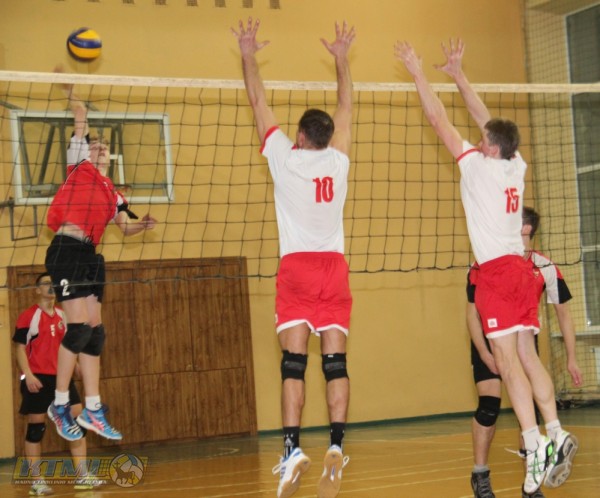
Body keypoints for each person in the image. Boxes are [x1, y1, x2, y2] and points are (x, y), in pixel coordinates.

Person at [394, 38, 576, 495]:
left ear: (491, 150)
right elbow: (486, 120)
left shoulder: (477, 166)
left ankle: (534, 445)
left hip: (495, 274)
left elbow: (438, 119)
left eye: (483, 142)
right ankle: (555, 431)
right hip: (522, 271)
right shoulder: (516, 165)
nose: (478, 141)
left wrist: (418, 73)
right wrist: (458, 75)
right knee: (529, 356)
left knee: (508, 365)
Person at [232, 18, 355, 498]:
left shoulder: (285, 157)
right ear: (328, 136)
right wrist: (341, 59)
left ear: (301, 136)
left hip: (298, 267)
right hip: (335, 268)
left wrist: (248, 54)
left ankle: (291, 450)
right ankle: (337, 445)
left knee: (293, 364)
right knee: (335, 365)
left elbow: (257, 101)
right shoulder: (339, 160)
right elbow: (346, 105)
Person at [45, 68, 157, 443]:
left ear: (111, 157)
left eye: (104, 148)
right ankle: (60, 403)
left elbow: (124, 228)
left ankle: (93, 407)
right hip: (66, 249)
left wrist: (143, 226)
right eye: (94, 146)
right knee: (78, 328)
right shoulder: (79, 166)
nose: (99, 150)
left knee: (95, 331)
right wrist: (71, 92)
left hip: (91, 257)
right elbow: (80, 116)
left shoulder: (113, 193)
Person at [467, 207, 582, 498]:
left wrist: (572, 357)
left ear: (527, 231)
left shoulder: (543, 266)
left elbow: (564, 314)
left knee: (526, 412)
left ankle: (533, 478)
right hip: (489, 339)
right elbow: (471, 314)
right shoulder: (483, 263)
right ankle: (481, 473)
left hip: (520, 333)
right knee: (489, 406)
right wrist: (484, 353)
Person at [13, 273, 96, 496]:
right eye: (46, 284)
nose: (51, 287)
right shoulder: (28, 316)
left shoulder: (62, 315)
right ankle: (37, 481)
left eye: (54, 283)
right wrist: (28, 375)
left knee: (77, 424)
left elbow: (66, 345)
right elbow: (19, 349)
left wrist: (75, 363)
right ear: (37, 289)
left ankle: (82, 475)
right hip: (38, 378)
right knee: (36, 428)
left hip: (62, 378)